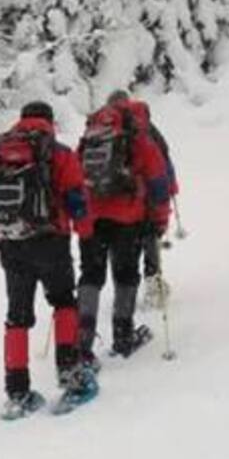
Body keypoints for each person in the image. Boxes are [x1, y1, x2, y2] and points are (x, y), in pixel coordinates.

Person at [0, 101, 94, 415]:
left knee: (17, 315)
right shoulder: (58, 153)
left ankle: (17, 391)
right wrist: (85, 232)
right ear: (50, 121)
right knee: (63, 302)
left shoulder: (1, 152)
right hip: (49, 240)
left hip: (10, 241)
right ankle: (71, 376)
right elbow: (76, 198)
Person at [76, 91, 170, 360]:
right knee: (125, 275)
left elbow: (74, 170)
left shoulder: (93, 133)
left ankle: (82, 341)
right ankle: (123, 336)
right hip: (128, 218)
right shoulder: (137, 133)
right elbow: (157, 179)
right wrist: (160, 219)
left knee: (90, 275)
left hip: (92, 216)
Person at [127, 98, 178, 284]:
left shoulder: (119, 132)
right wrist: (171, 187)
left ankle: (126, 288)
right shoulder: (152, 134)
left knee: (128, 245)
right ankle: (153, 280)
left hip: (126, 201)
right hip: (149, 200)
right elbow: (165, 165)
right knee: (151, 240)